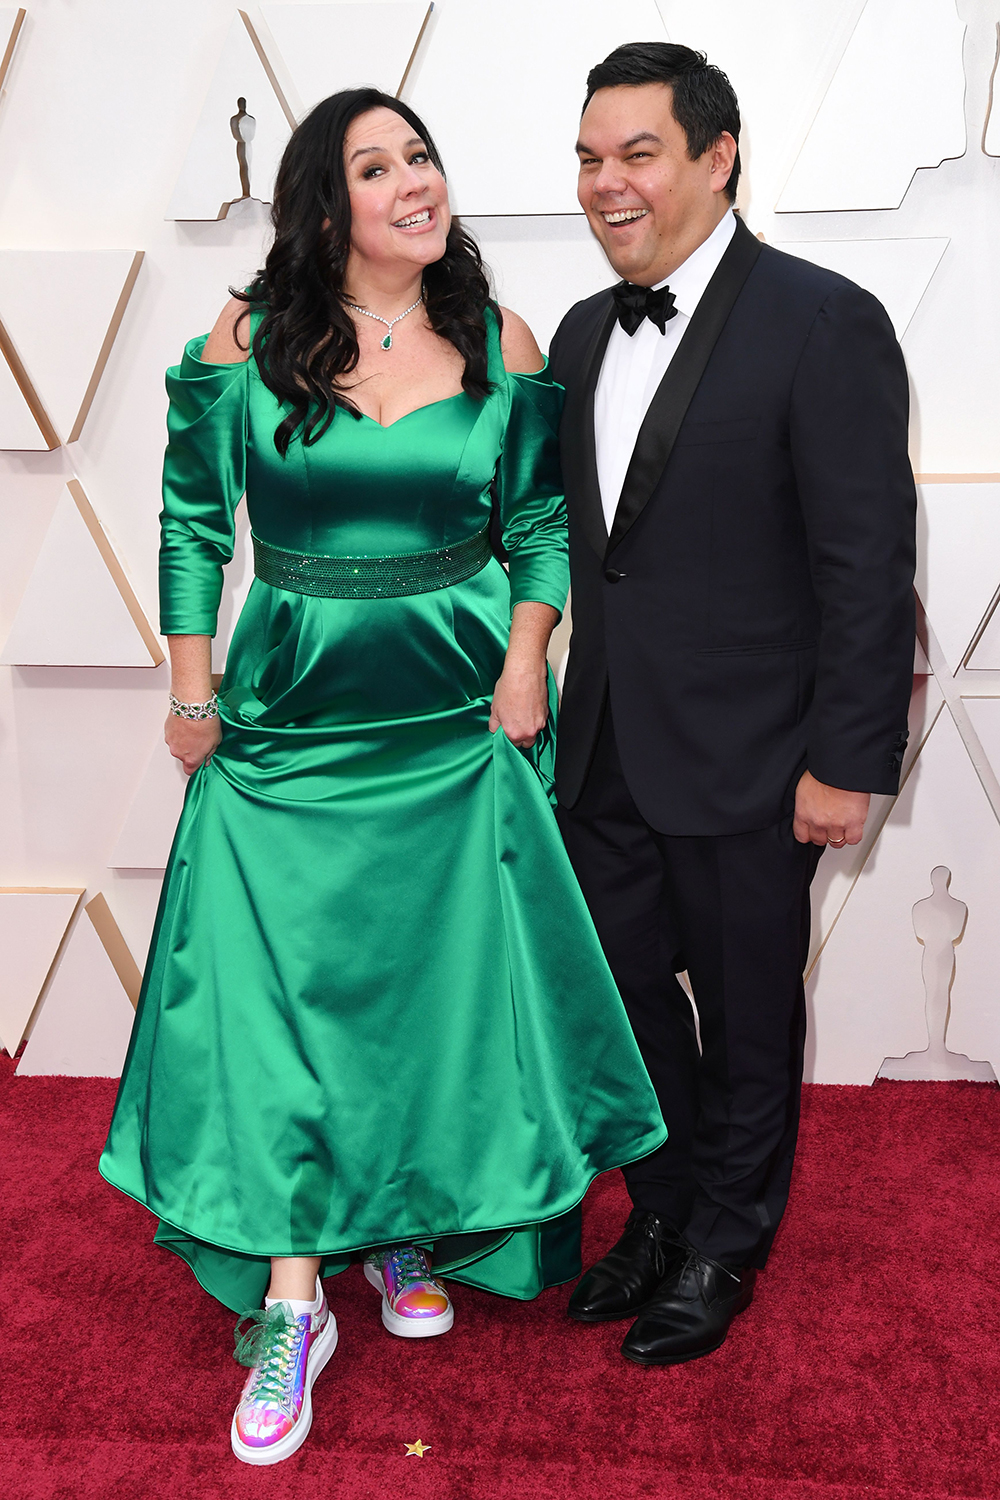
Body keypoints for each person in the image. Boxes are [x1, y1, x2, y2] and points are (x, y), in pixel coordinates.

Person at [100, 88, 666, 1464]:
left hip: (456, 720)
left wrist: (527, 660)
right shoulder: (249, 339)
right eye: (377, 166)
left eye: (422, 156)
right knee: (281, 994)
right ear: (324, 202)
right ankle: (296, 1298)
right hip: (288, 718)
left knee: (427, 989)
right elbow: (190, 521)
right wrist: (190, 685)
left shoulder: (498, 339)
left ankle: (398, 1223)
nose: (415, 181)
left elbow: (539, 526)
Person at [550, 44, 916, 1365]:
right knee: (627, 1002)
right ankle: (662, 1210)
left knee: (749, 1014)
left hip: (757, 759)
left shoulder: (823, 320)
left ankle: (726, 1243)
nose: (607, 183)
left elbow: (866, 563)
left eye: (638, 153)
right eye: (589, 158)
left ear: (720, 157)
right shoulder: (580, 333)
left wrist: (846, 761)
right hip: (602, 751)